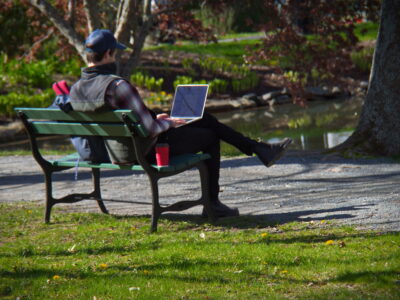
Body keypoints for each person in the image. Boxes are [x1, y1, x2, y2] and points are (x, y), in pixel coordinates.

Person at [69, 29, 292, 218]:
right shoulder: (117, 86)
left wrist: (158, 119)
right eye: (115, 53)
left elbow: (132, 122)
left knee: (204, 119)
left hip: (113, 150)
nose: (116, 57)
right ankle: (213, 202)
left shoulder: (76, 88)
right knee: (211, 135)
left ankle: (258, 149)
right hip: (143, 150)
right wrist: (168, 124)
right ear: (108, 53)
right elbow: (148, 130)